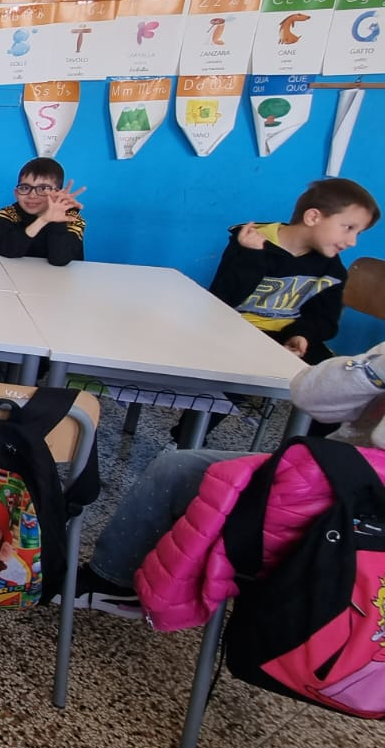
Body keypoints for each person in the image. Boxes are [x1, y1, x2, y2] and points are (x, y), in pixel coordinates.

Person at [68, 340, 385, 618]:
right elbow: (309, 397)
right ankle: (115, 580)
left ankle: (119, 582)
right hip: (326, 475)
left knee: (180, 472)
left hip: (352, 506)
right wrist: (375, 370)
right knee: (179, 468)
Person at [208, 177, 379, 366]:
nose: (352, 242)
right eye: (348, 228)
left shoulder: (331, 268)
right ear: (313, 217)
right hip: (235, 334)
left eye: (358, 233)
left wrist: (302, 335)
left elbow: (325, 319)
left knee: (330, 374)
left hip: (288, 340)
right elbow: (222, 300)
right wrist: (252, 257)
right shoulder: (250, 243)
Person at [0, 156, 85, 265]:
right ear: (16, 193)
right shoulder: (7, 214)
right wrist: (43, 220)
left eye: (43, 189)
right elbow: (9, 251)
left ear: (59, 193)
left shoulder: (71, 219)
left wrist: (56, 222)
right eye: (25, 188)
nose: (32, 195)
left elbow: (60, 259)